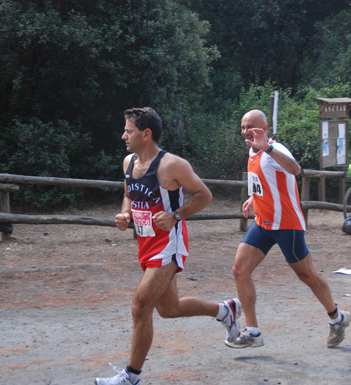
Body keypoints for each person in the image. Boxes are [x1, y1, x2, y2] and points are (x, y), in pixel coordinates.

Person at [95, 107, 241, 385]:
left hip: (168, 245)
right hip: (146, 245)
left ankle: (131, 377)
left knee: (140, 307)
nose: (123, 135)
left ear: (146, 134)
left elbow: (204, 195)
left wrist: (176, 215)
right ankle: (225, 311)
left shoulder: (171, 165)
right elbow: (128, 194)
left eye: (129, 130)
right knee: (169, 309)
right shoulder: (128, 163)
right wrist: (125, 214)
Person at [225, 109, 350, 349]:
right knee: (239, 270)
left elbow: (295, 170)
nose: (246, 132)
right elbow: (262, 180)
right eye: (243, 127)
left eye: (251, 127)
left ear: (264, 127)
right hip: (263, 223)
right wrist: (253, 198)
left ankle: (337, 318)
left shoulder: (275, 149)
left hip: (287, 225)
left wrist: (267, 148)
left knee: (307, 275)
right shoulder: (252, 151)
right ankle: (253, 332)